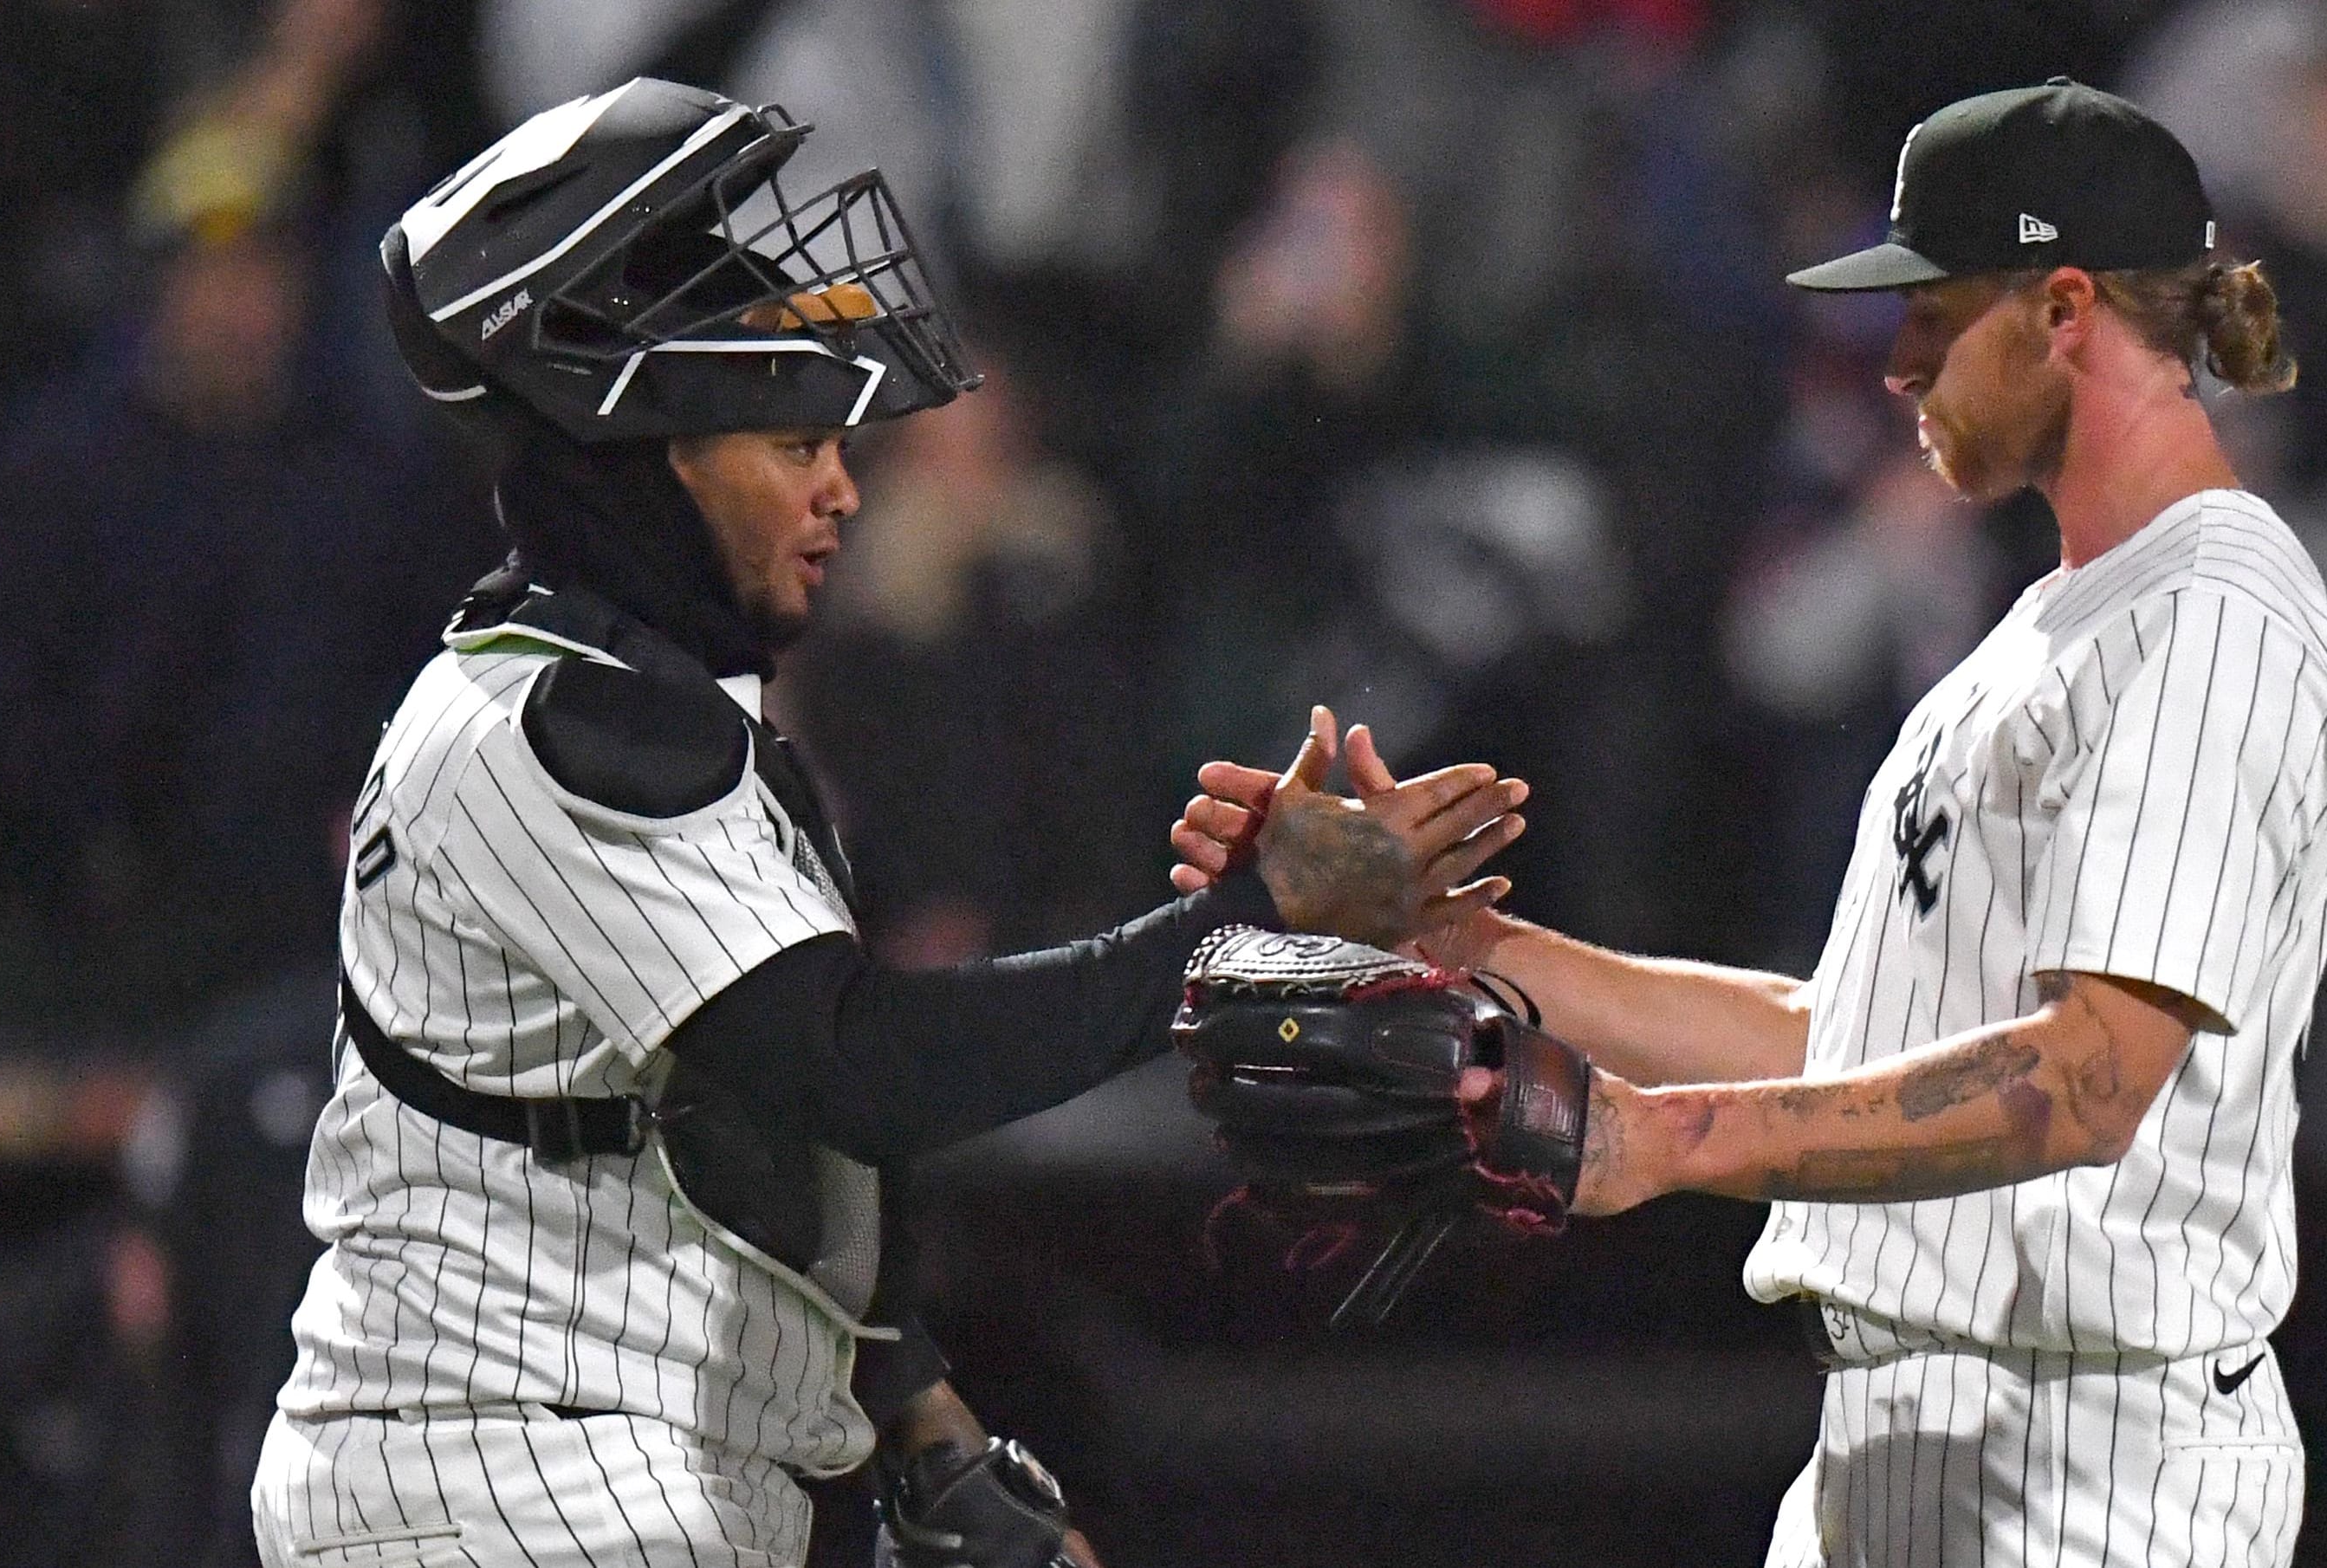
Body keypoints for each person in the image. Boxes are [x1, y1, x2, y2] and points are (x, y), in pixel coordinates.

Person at [250, 78, 1525, 1568]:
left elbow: (748, 1139)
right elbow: (857, 1069)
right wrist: (1240, 924)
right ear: (647, 453)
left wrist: (922, 1418)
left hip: (585, 1476)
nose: (845, 489)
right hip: (507, 1493)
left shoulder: (627, 705)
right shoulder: (550, 733)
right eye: (794, 444)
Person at [1176, 79, 2327, 1567]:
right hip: (1918, 1448)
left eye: (1930, 314)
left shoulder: (2211, 622)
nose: (1895, 363)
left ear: (2065, 310)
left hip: (2096, 1470)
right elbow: (1862, 1039)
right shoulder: (2056, 627)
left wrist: (1669, 1143)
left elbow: (2090, 1078)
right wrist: (1462, 940)